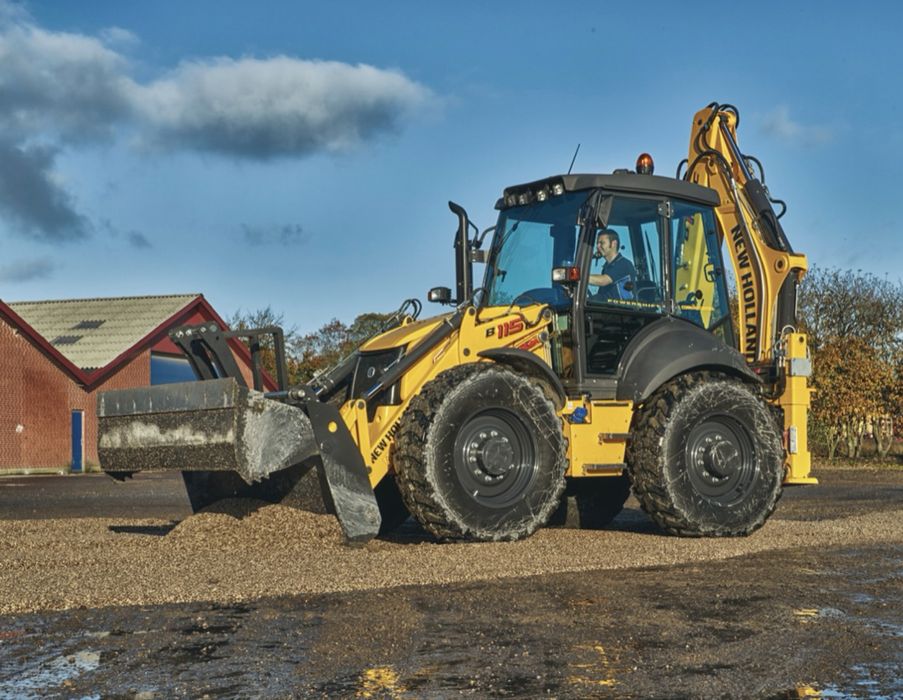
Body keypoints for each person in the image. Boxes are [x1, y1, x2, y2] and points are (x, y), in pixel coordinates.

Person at [588, 229, 636, 301]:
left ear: (614, 244)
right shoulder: (606, 268)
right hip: (607, 308)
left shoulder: (623, 264)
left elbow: (603, 281)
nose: (598, 246)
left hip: (622, 310)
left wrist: (579, 276)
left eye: (602, 243)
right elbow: (602, 295)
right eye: (597, 243)